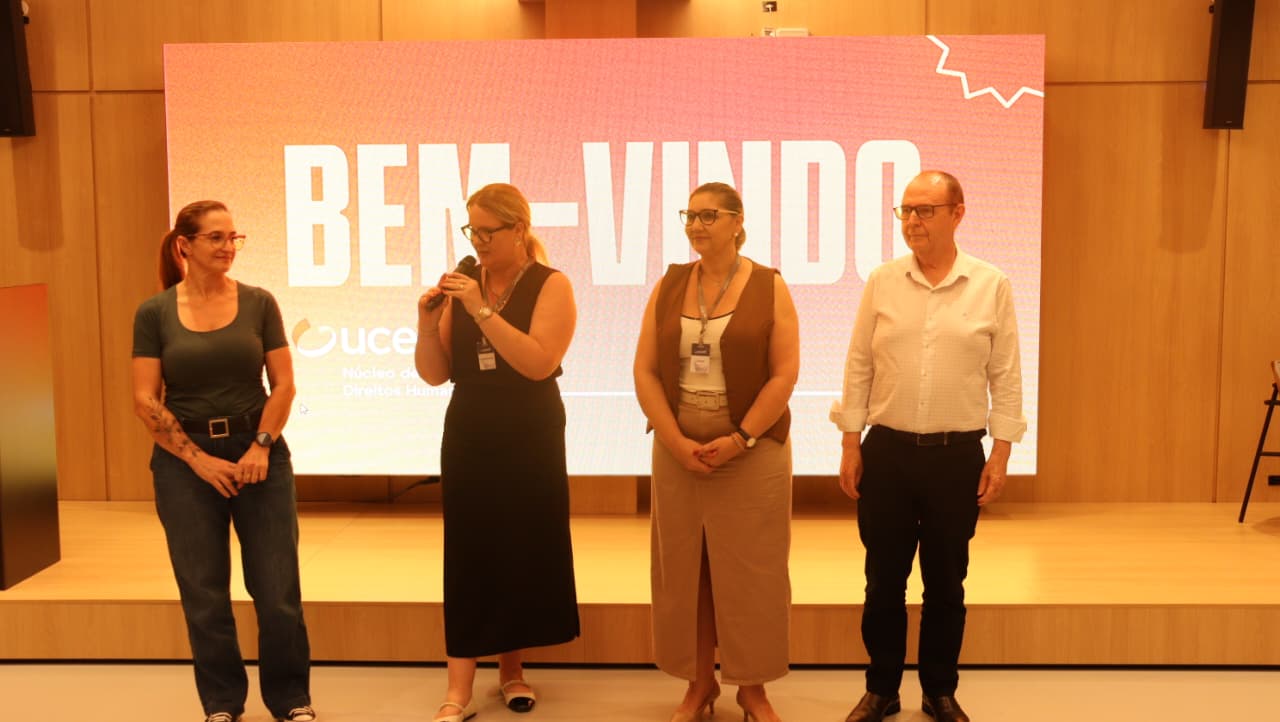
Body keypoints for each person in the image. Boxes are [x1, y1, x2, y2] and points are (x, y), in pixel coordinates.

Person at [831, 171, 1026, 722]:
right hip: (887, 453)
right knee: (882, 582)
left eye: (925, 210)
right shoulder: (882, 281)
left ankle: (940, 690)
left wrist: (1001, 453)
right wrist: (850, 442)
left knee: (946, 584)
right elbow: (859, 364)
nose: (912, 221)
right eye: (906, 211)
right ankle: (881, 689)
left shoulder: (990, 284)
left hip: (956, 457)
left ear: (957, 213)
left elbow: (1006, 374)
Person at [131, 201, 316, 722]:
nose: (228, 246)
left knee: (278, 591)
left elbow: (284, 385)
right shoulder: (155, 312)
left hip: (258, 454)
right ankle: (221, 703)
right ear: (184, 245)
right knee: (204, 593)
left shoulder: (259, 302)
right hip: (184, 461)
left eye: (234, 237)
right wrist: (198, 461)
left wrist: (261, 445)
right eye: (215, 237)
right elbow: (145, 400)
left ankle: (291, 699)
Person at [414, 183, 580, 722]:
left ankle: (512, 672)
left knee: (519, 546)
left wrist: (480, 309)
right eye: (472, 230)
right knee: (470, 549)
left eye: (489, 231)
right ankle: (458, 690)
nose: (478, 241)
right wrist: (426, 322)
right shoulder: (465, 281)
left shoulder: (551, 284)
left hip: (530, 429)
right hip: (471, 427)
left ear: (519, 229)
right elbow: (435, 373)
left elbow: (536, 363)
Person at [634, 182, 800, 722]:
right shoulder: (670, 284)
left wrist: (741, 438)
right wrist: (674, 441)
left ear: (737, 222)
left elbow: (784, 374)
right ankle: (699, 683)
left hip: (752, 455)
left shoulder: (769, 285)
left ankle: (752, 688)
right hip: (680, 455)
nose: (696, 225)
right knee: (686, 574)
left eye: (709, 215)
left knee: (753, 574)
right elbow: (645, 371)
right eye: (690, 215)